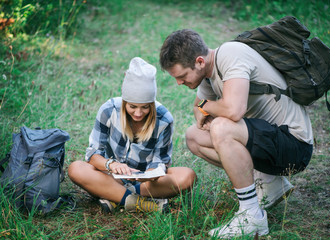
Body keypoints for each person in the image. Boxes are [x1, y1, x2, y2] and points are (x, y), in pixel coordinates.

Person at [159, 29, 313, 237]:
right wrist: (204, 113)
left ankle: (252, 217)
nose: (179, 82)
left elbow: (233, 110)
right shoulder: (207, 75)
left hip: (294, 145)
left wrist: (207, 107)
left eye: (182, 76)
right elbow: (198, 109)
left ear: (199, 61)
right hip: (269, 141)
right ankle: (268, 182)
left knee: (222, 127)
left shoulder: (230, 55)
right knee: (193, 136)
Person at [68, 57, 196, 214]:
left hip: (144, 183)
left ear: (152, 104)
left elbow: (161, 161)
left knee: (188, 176)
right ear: (124, 102)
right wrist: (112, 165)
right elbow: (93, 154)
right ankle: (142, 203)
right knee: (76, 168)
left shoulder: (164, 118)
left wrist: (151, 174)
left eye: (145, 108)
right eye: (132, 106)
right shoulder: (109, 110)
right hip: (109, 176)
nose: (138, 113)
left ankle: (115, 197)